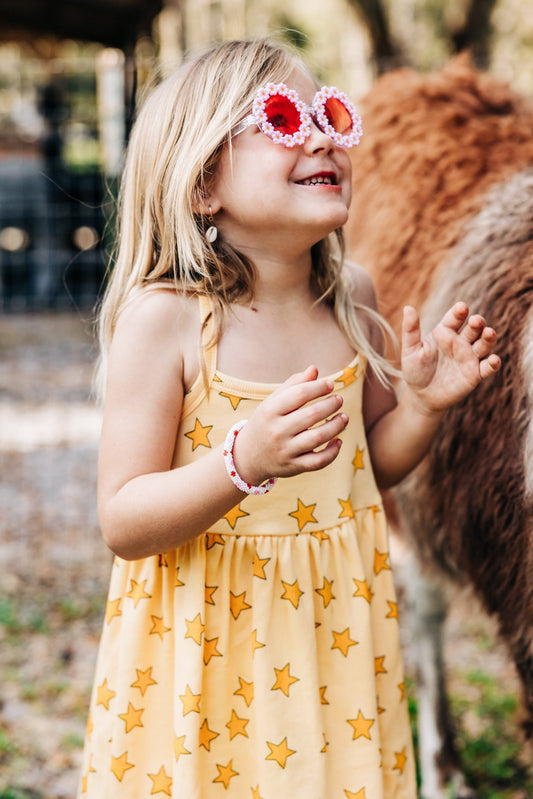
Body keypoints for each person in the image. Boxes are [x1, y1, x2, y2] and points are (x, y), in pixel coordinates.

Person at [78, 39, 500, 798]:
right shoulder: (169, 323)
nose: (322, 137)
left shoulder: (350, 297)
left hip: (331, 633)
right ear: (202, 183)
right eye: (280, 117)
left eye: (330, 115)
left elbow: (372, 462)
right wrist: (241, 461)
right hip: (211, 652)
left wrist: (423, 407)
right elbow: (123, 516)